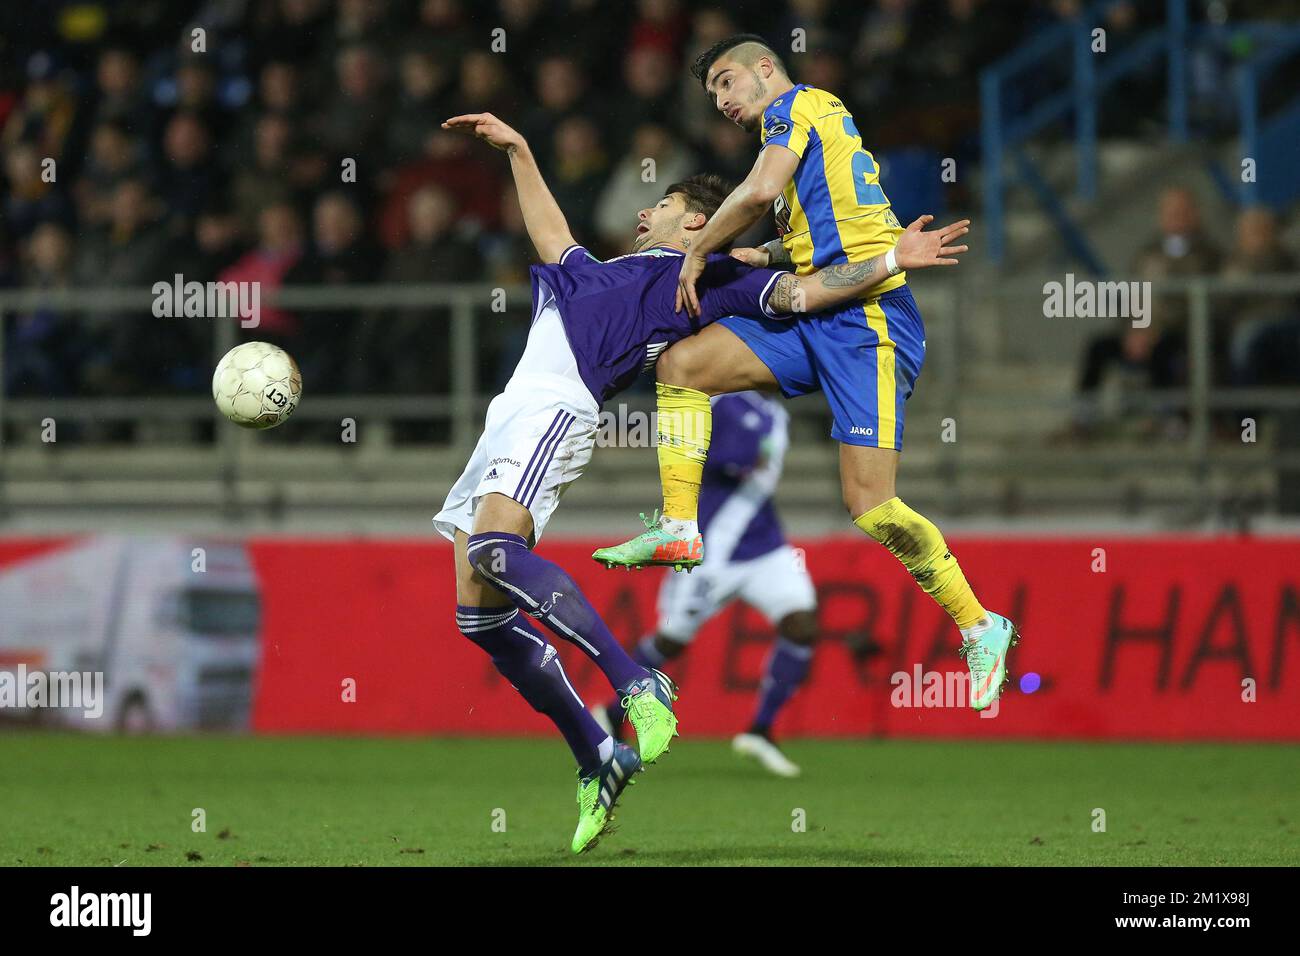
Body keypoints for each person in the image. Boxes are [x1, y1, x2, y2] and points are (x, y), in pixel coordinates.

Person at [434, 110, 968, 852]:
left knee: (495, 553)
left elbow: (804, 296)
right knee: (478, 618)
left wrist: (891, 261)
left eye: (662, 206)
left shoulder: (708, 280)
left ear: (696, 224)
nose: (643, 210)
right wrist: (520, 151)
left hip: (557, 409)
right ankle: (598, 759)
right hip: (506, 419)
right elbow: (552, 234)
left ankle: (636, 682)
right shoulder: (596, 271)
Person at [592, 33, 1017, 712]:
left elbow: (757, 192)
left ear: (767, 70)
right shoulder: (803, 161)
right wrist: (748, 258)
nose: (724, 101)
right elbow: (790, 241)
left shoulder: (800, 107)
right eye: (713, 95)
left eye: (729, 82)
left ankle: (979, 623)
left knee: (871, 505)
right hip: (819, 309)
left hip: (870, 319)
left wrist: (701, 248)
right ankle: (679, 525)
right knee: (683, 365)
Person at [594, 391, 817, 777]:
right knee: (673, 638)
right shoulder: (719, 404)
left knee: (801, 623)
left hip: (765, 547)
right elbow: (705, 457)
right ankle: (612, 713)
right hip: (711, 552)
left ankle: (760, 730)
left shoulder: (777, 414)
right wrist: (740, 455)